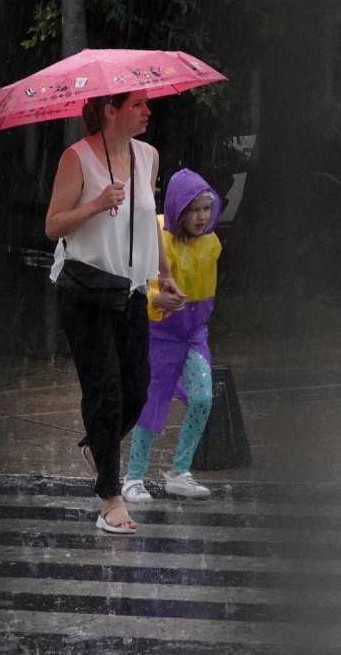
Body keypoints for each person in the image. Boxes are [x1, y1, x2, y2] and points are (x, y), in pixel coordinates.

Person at [44, 90, 184, 534]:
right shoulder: (77, 158)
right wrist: (95, 204)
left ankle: (96, 446)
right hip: (85, 289)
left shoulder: (149, 156)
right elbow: (53, 226)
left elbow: (148, 220)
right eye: (138, 104)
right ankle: (110, 498)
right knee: (105, 392)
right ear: (110, 110)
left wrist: (163, 274)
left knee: (137, 391)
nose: (148, 111)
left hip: (130, 291)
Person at [121, 168, 223, 504]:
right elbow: (139, 283)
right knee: (150, 405)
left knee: (203, 397)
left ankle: (180, 471)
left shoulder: (211, 243)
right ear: (179, 208)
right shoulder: (158, 237)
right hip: (159, 335)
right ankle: (133, 476)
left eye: (206, 208)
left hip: (192, 334)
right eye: (194, 209)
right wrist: (156, 301)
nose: (201, 216)